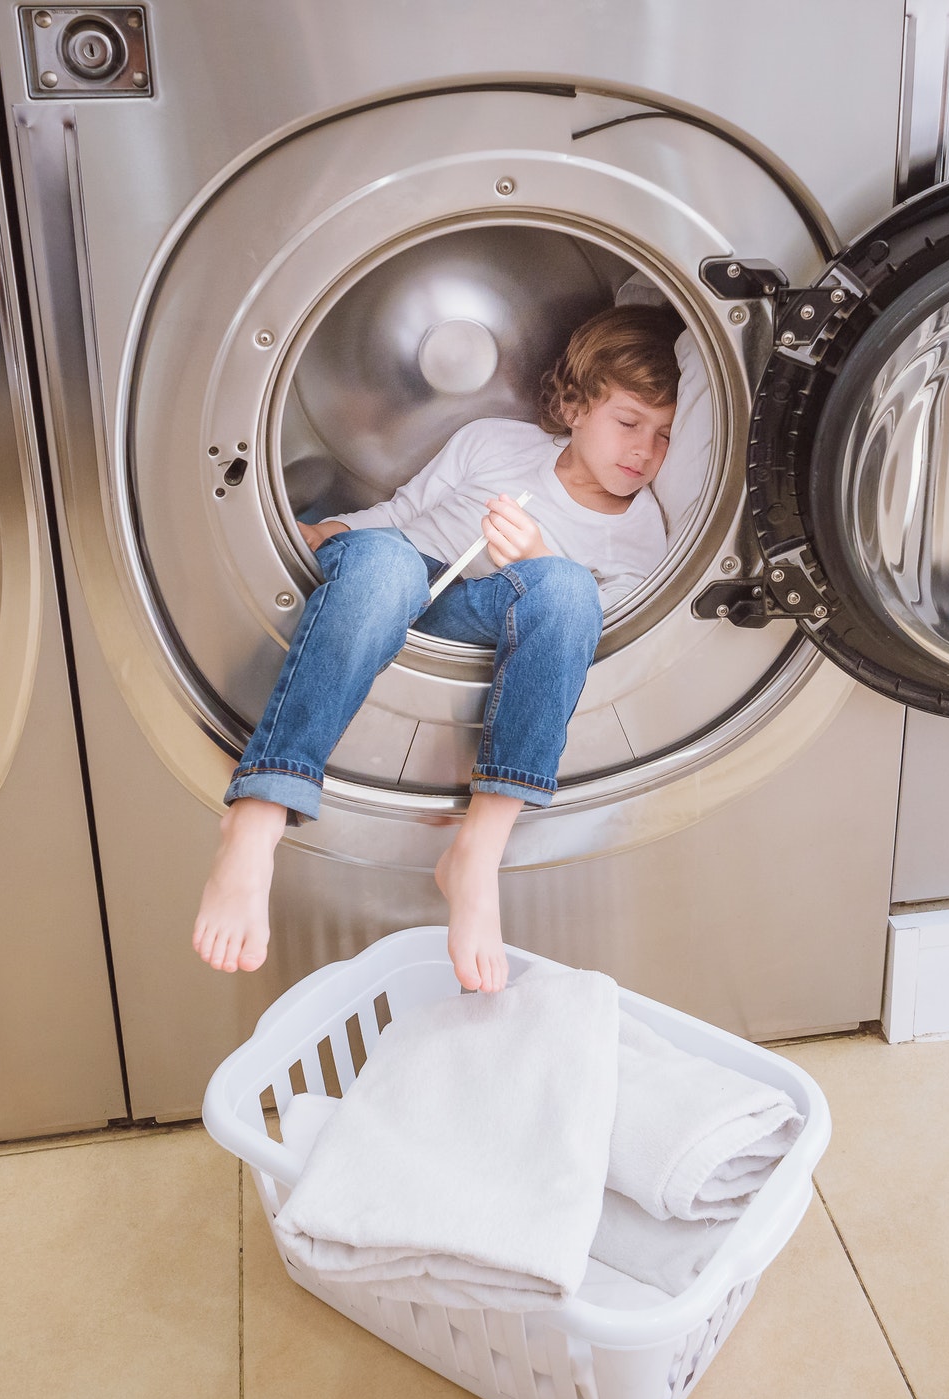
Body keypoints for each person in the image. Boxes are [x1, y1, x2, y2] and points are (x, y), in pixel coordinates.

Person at [192, 303, 681, 991]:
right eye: (628, 423)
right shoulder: (493, 444)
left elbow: (585, 633)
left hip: (474, 619)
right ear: (574, 407)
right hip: (393, 579)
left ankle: (476, 856)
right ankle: (258, 816)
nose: (643, 451)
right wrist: (324, 534)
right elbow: (399, 517)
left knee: (568, 588)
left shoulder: (640, 532)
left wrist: (539, 556)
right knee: (388, 563)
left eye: (663, 436)